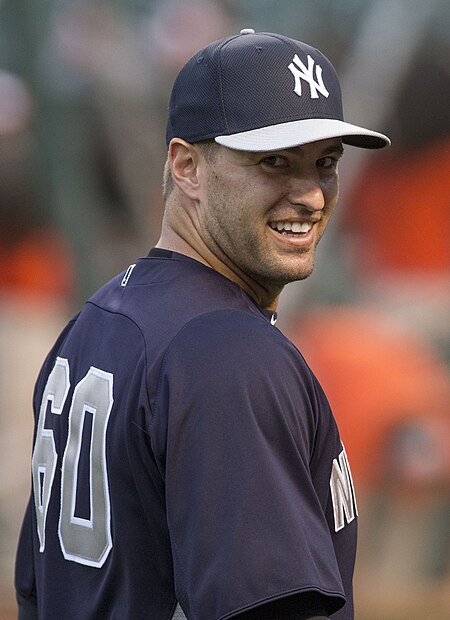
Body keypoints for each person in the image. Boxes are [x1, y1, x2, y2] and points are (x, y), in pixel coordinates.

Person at [15, 29, 390, 620]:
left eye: (324, 163)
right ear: (186, 166)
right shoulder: (225, 352)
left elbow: (37, 592)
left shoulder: (96, 322)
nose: (311, 195)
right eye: (274, 162)